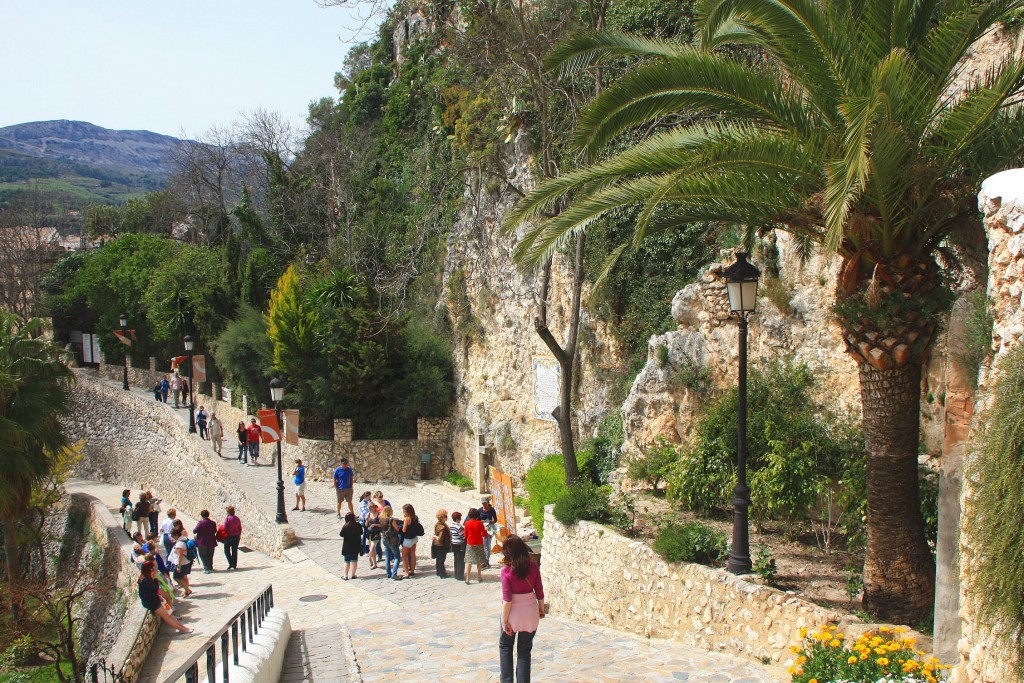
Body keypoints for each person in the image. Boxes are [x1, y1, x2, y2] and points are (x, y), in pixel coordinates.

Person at [499, 535, 545, 683]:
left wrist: (504, 621)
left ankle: (507, 680)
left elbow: (507, 601)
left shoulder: (506, 572)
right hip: (530, 613)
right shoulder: (533, 567)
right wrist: (541, 610)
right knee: (524, 652)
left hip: (513, 615)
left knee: (506, 647)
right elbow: (539, 592)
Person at [138, 561, 193, 634]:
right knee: (166, 616)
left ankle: (182, 627)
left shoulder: (150, 578)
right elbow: (149, 593)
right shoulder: (145, 581)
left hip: (156, 599)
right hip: (151, 603)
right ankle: (183, 629)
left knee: (169, 613)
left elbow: (155, 590)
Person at [463, 507, 487, 584]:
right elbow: (484, 534)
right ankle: (479, 576)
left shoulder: (467, 523)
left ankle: (468, 578)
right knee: (479, 561)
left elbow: (465, 535)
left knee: (469, 561)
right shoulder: (480, 523)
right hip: (479, 542)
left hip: (470, 543)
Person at [380, 506, 403, 581]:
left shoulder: (381, 519)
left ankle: (388, 573)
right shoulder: (390, 520)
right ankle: (394, 574)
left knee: (387, 556)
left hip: (384, 538)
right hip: (392, 539)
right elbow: (397, 528)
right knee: (397, 557)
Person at [170, 528, 193, 596]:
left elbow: (180, 555)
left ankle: (187, 590)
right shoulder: (184, 538)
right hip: (187, 562)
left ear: (176, 535)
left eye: (172, 535)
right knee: (184, 577)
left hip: (182, 563)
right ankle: (186, 591)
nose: (172, 536)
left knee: (176, 577)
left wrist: (179, 567)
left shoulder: (180, 543)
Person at [401, 503, 422, 578]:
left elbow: (404, 530)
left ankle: (406, 573)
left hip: (408, 539)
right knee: (413, 553)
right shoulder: (415, 517)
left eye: (404, 511)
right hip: (414, 538)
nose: (403, 512)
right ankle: (412, 570)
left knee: (404, 556)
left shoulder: (407, 519)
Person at [339, 512, 362, 580]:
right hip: (356, 546)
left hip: (347, 547)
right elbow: (361, 532)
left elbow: (341, 534)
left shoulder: (345, 526)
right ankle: (353, 574)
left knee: (346, 561)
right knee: (354, 561)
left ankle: (345, 575)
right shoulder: (357, 525)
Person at [432, 509, 452, 578]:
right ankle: (442, 574)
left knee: (438, 559)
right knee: (441, 560)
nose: (447, 517)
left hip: (437, 545)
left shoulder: (437, 524)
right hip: (442, 545)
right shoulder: (443, 527)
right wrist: (435, 537)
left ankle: (438, 572)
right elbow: (440, 538)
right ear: (442, 517)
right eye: (445, 516)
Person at [480, 497, 499, 569]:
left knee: (487, 545)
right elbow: (478, 519)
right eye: (483, 503)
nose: (484, 505)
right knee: (484, 545)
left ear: (488, 503)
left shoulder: (492, 510)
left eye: (485, 503)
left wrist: (491, 521)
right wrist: (481, 521)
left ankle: (486, 561)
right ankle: (484, 561)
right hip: (482, 529)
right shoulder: (480, 510)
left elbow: (495, 519)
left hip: (490, 529)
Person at [222, 505, 242, 570]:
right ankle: (234, 564)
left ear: (228, 512)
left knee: (226, 550)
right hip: (236, 536)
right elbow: (240, 528)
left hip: (229, 536)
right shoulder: (237, 518)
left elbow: (224, 528)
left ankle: (231, 563)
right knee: (234, 550)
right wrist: (239, 534)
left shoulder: (227, 519)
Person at [450, 511, 467, 581]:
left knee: (456, 559)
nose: (460, 519)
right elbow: (463, 536)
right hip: (459, 544)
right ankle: (460, 575)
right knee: (461, 560)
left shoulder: (452, 525)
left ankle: (456, 574)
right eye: (459, 518)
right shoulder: (458, 527)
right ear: (457, 519)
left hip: (453, 543)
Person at [365, 503, 382, 570]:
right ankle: (375, 564)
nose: (370, 510)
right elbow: (366, 525)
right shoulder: (369, 514)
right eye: (369, 508)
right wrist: (366, 520)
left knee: (372, 548)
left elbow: (382, 524)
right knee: (372, 549)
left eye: (371, 508)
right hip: (369, 533)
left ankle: (370, 558)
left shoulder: (378, 514)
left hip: (376, 534)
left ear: (374, 507)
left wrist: (375, 524)